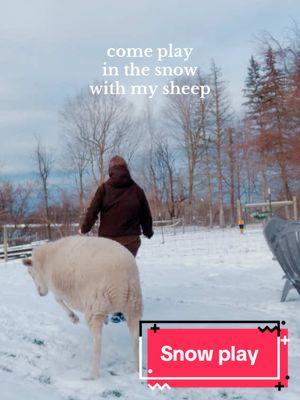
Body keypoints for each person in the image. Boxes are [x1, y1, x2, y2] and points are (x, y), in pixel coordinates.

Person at [79, 156, 153, 322]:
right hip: (131, 241)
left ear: (110, 170)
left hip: (108, 243)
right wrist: (148, 231)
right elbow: (146, 214)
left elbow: (92, 211)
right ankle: (120, 310)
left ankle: (103, 308)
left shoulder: (104, 189)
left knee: (106, 274)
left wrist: (84, 228)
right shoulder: (137, 190)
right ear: (126, 169)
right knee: (124, 274)